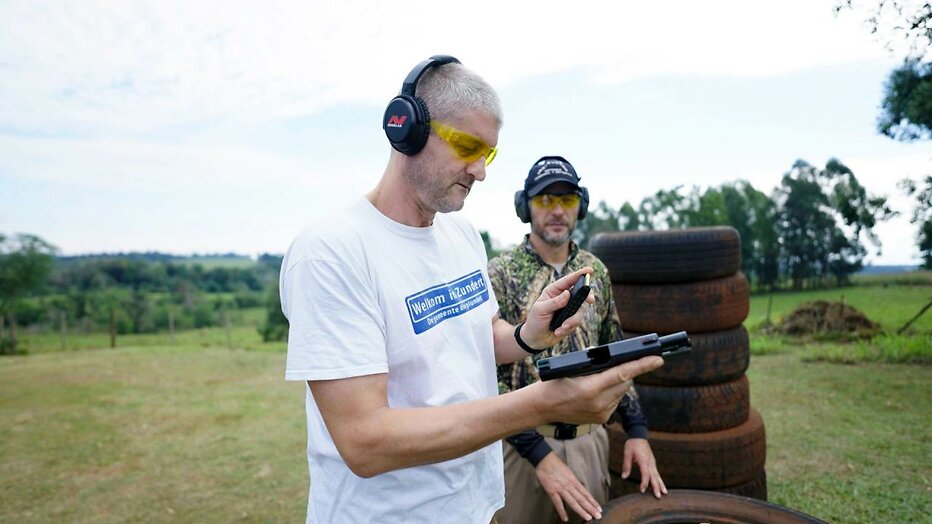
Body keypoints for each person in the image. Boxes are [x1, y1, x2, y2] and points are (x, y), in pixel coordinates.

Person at [279, 55, 662, 524]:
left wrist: (525, 336)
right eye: (467, 146)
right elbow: (363, 441)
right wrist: (538, 403)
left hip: (475, 506)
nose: (480, 170)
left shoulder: (460, 236)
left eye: (490, 154)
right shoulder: (332, 251)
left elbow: (478, 337)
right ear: (407, 129)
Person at [489, 156, 667, 524]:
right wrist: (539, 454)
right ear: (526, 207)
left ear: (580, 205)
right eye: (545, 200)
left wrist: (636, 431)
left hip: (589, 441)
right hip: (521, 449)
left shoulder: (595, 270)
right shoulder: (500, 273)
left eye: (567, 199)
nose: (557, 210)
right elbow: (487, 376)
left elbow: (615, 351)